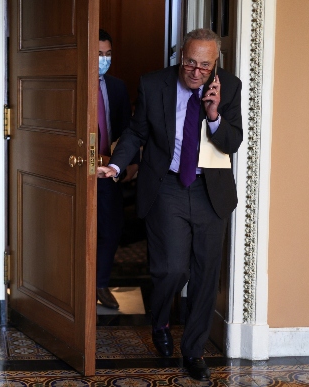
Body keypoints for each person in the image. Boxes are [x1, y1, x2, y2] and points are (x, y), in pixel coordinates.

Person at [97, 28, 243, 380]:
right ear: (181, 56)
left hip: (211, 190)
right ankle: (160, 320)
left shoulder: (230, 86)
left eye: (204, 66)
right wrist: (117, 164)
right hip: (168, 187)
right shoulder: (153, 84)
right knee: (172, 269)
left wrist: (213, 115)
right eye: (189, 62)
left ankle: (193, 352)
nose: (195, 71)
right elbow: (136, 132)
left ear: (215, 63)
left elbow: (232, 141)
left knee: (206, 275)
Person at [95, 29, 139, 309]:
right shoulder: (71, 84)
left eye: (108, 54)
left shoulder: (117, 87)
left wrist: (130, 164)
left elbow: (127, 130)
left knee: (111, 229)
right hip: (78, 167)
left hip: (108, 170)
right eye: (99, 54)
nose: (104, 59)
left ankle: (100, 284)